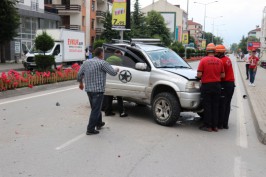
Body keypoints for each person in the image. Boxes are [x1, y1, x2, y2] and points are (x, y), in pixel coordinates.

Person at [77, 47, 119, 135]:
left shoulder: (86, 62)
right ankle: (90, 129)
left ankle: (99, 123)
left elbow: (79, 74)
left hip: (89, 90)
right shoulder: (102, 63)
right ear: (101, 54)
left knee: (96, 107)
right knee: (96, 109)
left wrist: (81, 83)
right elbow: (113, 73)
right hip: (98, 90)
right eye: (103, 53)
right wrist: (117, 69)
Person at [197, 43, 225, 132]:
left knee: (207, 106)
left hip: (207, 86)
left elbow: (199, 74)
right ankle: (215, 126)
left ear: (207, 51)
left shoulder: (203, 60)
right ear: (214, 51)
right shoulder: (219, 61)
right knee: (215, 106)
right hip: (217, 86)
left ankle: (208, 126)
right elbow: (223, 75)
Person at [215, 44, 235, 129]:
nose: (215, 54)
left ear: (219, 53)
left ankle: (220, 124)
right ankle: (225, 124)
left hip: (225, 83)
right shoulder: (228, 59)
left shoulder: (221, 61)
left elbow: (220, 75)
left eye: (216, 52)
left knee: (222, 104)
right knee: (227, 104)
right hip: (231, 84)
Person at [104, 50, 128, 117]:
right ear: (119, 53)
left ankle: (108, 111)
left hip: (109, 79)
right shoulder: (119, 59)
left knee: (109, 96)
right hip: (117, 79)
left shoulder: (109, 58)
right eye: (121, 54)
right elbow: (123, 68)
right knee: (119, 96)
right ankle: (121, 112)